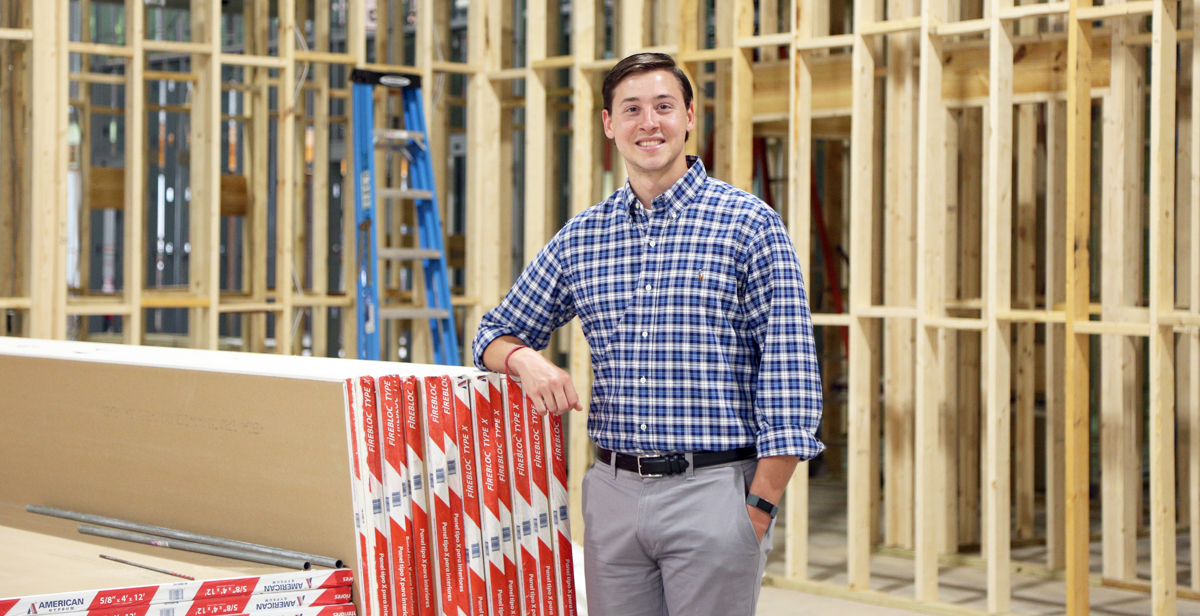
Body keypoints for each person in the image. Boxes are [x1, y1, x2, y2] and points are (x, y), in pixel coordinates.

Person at [472, 52, 823, 616]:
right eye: (631, 110)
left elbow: (790, 376)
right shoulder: (583, 237)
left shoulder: (749, 224)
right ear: (610, 125)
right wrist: (524, 362)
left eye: (663, 106)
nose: (649, 123)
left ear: (688, 116)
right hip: (612, 495)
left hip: (715, 492)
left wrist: (758, 505)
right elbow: (493, 331)